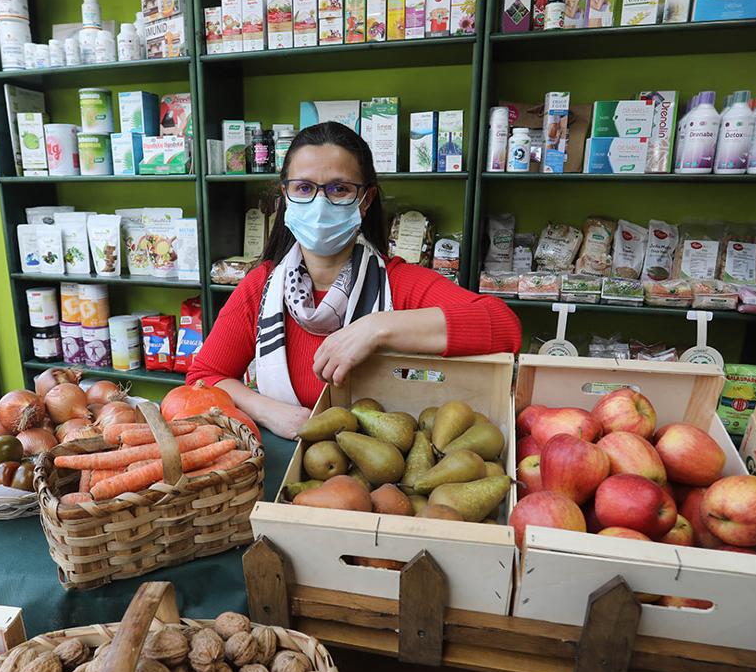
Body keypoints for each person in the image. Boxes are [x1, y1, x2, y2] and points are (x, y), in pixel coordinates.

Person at [187, 122, 522, 440]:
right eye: (304, 188)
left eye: (339, 189)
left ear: (366, 200)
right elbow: (204, 378)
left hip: (385, 479)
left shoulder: (400, 283)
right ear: (285, 196)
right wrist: (268, 411)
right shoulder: (260, 287)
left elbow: (504, 327)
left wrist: (377, 328)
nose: (320, 203)